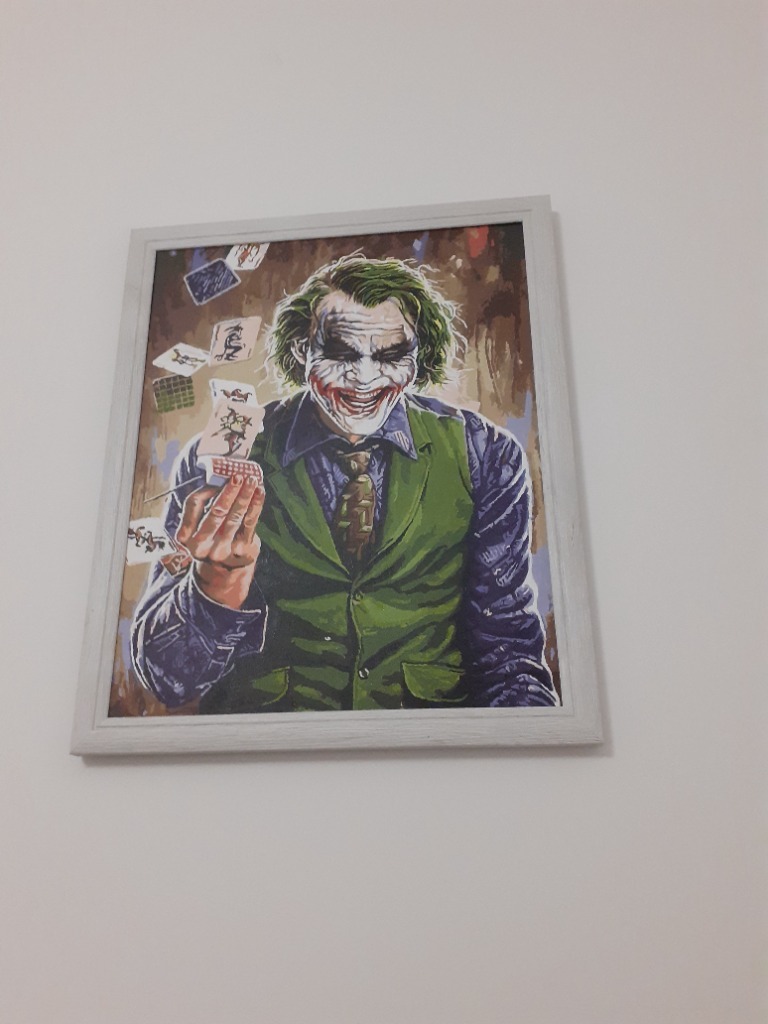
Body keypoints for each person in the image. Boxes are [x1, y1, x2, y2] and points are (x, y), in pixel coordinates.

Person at [131, 254, 559, 713]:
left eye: (392, 356)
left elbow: (508, 655)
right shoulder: (218, 458)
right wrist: (212, 589)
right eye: (340, 354)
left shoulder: (486, 455)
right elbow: (167, 679)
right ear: (301, 350)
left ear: (418, 358)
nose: (365, 380)